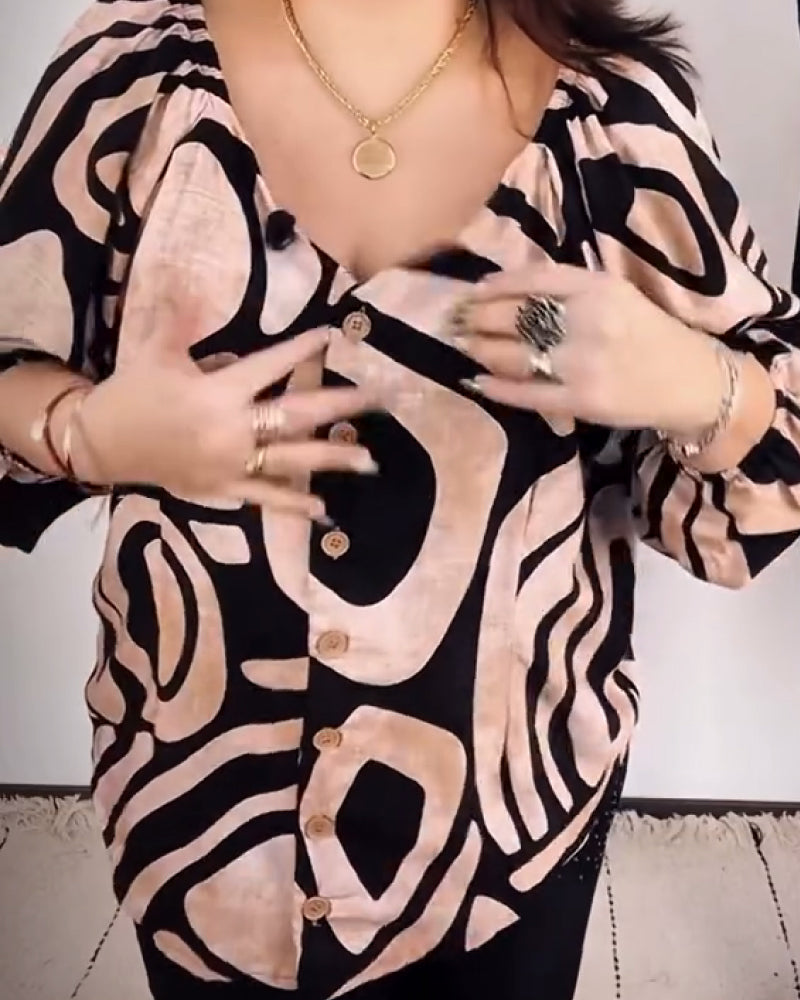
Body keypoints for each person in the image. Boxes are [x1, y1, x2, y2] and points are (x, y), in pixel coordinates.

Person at [1, 0, 799, 997]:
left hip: (509, 852)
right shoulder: (133, 72)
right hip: (198, 833)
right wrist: (83, 430)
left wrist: (693, 381)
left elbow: (772, 456)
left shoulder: (614, 114)